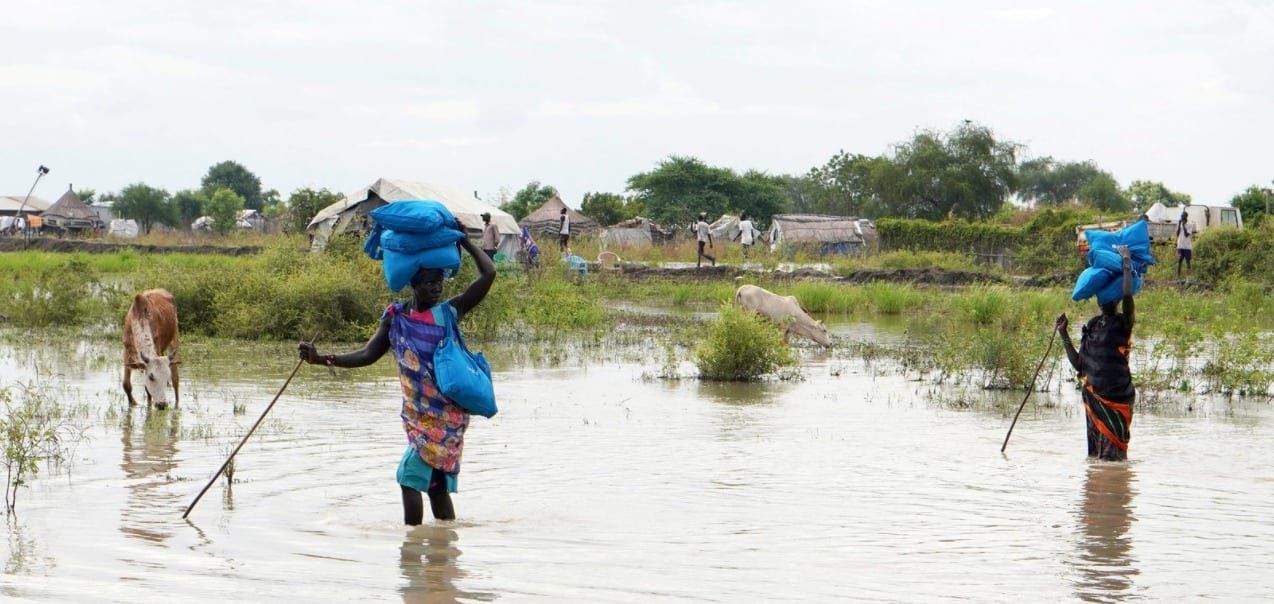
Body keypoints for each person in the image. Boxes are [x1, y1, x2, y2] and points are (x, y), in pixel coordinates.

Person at [298, 220, 496, 524]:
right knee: (436, 488)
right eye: (428, 282)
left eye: (439, 281)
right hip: (419, 416)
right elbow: (368, 354)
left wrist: (466, 241)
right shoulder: (396, 318)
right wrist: (322, 359)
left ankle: (413, 543)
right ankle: (444, 556)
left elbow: (489, 273)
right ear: (412, 283)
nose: (436, 287)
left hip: (447, 417)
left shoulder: (449, 312)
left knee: (408, 477)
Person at [1056, 245, 1136, 461]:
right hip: (1094, 398)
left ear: (1115, 298)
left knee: (1114, 459)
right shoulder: (1092, 325)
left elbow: (1128, 295)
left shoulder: (1123, 322)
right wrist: (1063, 334)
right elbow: (1080, 364)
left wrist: (1126, 262)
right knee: (1096, 460)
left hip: (1117, 398)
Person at [1175, 210, 1195, 279]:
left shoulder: (1190, 224)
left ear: (1186, 217)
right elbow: (1177, 234)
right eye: (1181, 217)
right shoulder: (1179, 223)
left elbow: (1186, 235)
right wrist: (1179, 225)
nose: (1181, 218)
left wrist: (1183, 226)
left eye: (1183, 217)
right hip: (1180, 245)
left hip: (1187, 246)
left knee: (1188, 261)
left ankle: (1188, 278)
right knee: (1179, 260)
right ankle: (1178, 277)